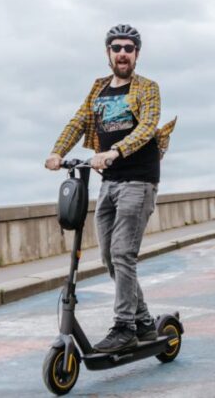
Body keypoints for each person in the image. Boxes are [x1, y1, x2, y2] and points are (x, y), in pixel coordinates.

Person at [45, 23, 176, 354]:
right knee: (109, 256)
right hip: (110, 183)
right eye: (116, 48)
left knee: (123, 253)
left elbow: (147, 126)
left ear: (136, 54)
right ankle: (144, 322)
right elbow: (78, 121)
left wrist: (115, 151)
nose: (122, 53)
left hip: (139, 178)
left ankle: (124, 327)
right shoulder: (99, 89)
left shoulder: (147, 87)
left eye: (129, 49)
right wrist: (57, 151)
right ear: (108, 53)